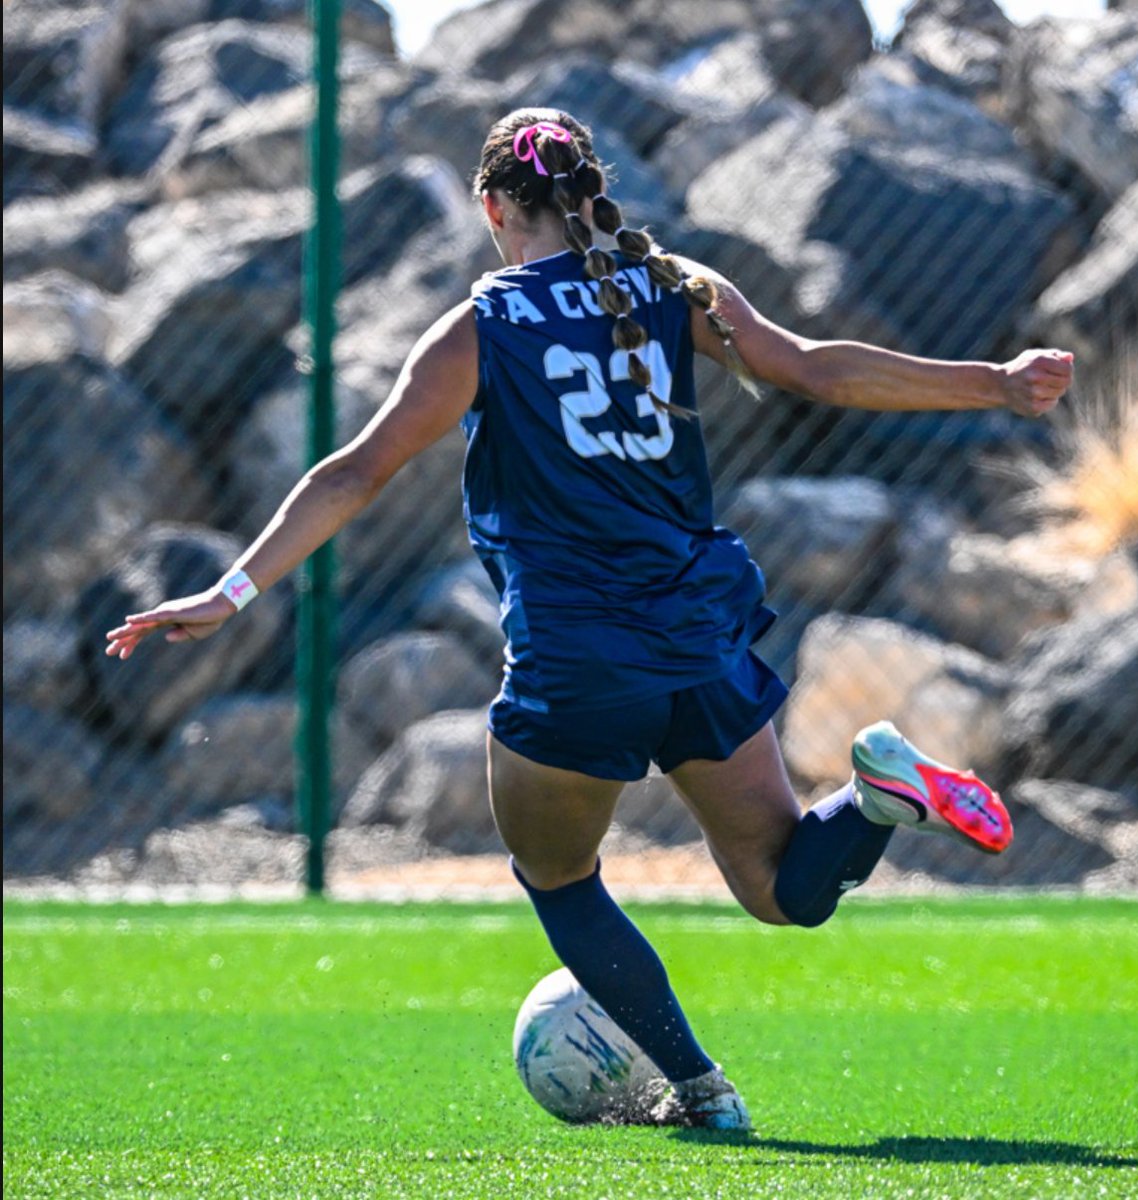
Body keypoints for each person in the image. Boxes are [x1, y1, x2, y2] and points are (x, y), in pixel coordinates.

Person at [106, 109, 1074, 1131]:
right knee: (784, 889)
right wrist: (999, 384)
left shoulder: (482, 326)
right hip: (698, 631)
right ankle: (877, 799)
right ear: (591, 195)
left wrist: (228, 592)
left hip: (578, 654)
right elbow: (820, 369)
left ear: (492, 208)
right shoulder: (673, 285)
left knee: (560, 878)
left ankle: (702, 1092)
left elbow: (357, 472)